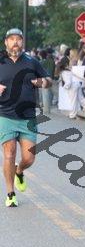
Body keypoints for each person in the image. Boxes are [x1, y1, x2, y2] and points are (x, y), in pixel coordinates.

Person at [0, 28, 52, 207]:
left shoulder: (31, 62)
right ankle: (10, 194)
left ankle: (19, 171)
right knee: (9, 153)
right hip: (5, 115)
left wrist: (40, 82)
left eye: (18, 39)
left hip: (27, 117)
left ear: (22, 42)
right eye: (11, 39)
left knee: (29, 158)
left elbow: (49, 81)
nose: (15, 42)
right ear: (6, 42)